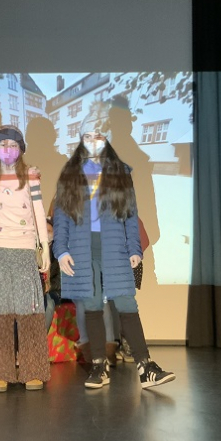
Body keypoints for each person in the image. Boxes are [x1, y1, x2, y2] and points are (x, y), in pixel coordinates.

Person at [53, 102, 175, 390]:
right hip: (82, 249)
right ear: (81, 140)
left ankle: (145, 366)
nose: (93, 141)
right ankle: (99, 366)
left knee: (126, 303)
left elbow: (130, 215)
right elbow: (61, 217)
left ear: (106, 138)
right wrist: (61, 250)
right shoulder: (70, 175)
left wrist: (135, 248)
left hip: (115, 247)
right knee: (92, 305)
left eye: (98, 136)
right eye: (87, 136)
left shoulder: (120, 172)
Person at [0, 125, 51, 392]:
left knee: (30, 310)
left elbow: (39, 212)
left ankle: (33, 369)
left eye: (14, 145)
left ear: (21, 149)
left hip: (24, 249)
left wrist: (45, 248)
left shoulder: (30, 177)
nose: (8, 150)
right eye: (3, 145)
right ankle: (0, 371)